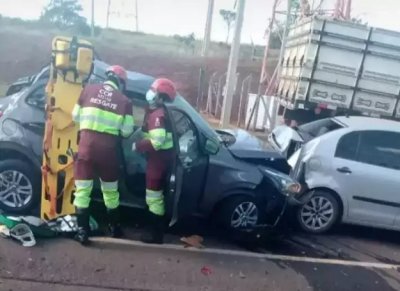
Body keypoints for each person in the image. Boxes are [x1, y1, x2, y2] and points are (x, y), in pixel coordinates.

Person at [71, 65, 134, 245]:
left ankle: (82, 232)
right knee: (110, 192)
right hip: (108, 152)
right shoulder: (125, 101)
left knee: (83, 191)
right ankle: (115, 228)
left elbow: (75, 116)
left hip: (85, 148)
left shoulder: (88, 90)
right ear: (121, 82)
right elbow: (127, 131)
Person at [132, 78, 176, 244]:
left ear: (160, 97)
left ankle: (155, 235)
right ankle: (154, 230)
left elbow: (156, 142)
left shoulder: (158, 116)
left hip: (157, 162)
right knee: (154, 197)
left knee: (154, 197)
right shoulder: (158, 112)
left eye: (154, 91)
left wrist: (138, 146)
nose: (150, 92)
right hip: (158, 160)